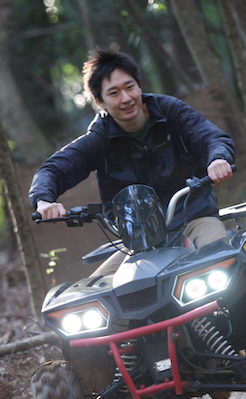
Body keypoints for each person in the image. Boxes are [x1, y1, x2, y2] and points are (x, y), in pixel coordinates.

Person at [29, 49, 235, 275]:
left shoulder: (171, 112)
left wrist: (218, 159)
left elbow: (211, 137)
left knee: (219, 260)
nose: (126, 98)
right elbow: (53, 169)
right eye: (114, 93)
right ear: (100, 101)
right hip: (140, 241)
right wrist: (44, 201)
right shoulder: (100, 138)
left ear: (139, 86)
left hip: (195, 220)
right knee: (100, 289)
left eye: (129, 87)